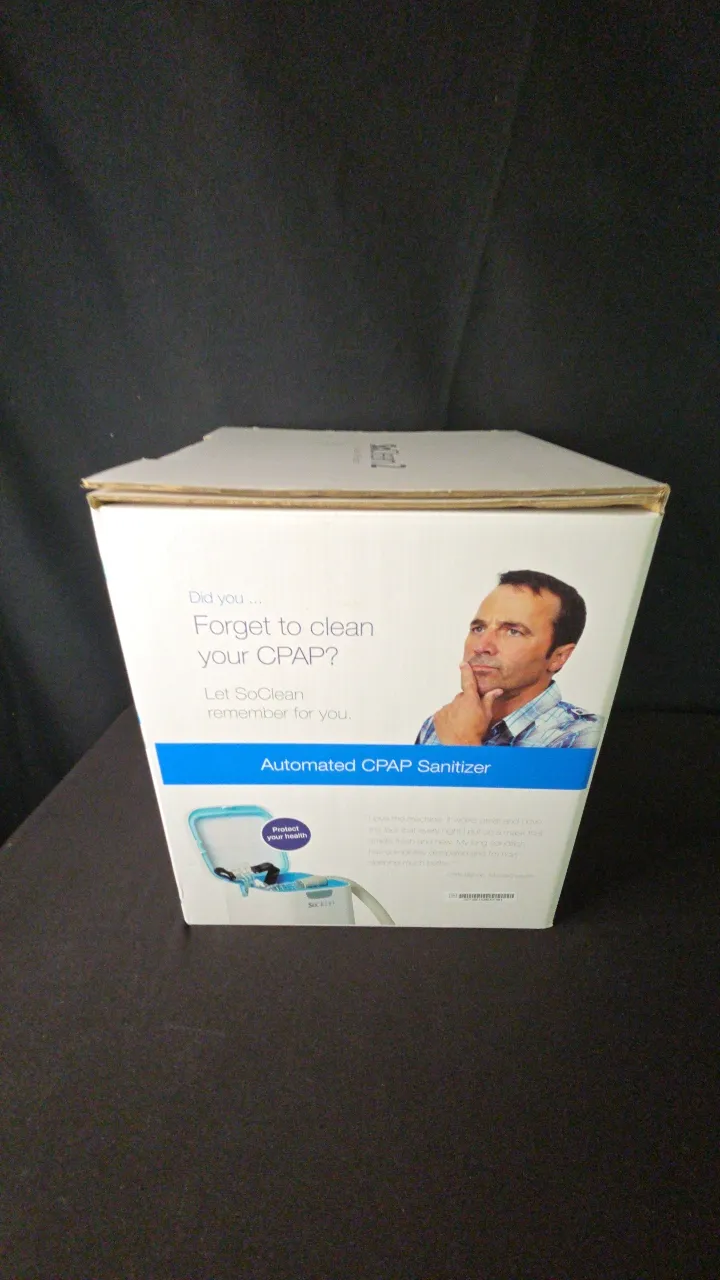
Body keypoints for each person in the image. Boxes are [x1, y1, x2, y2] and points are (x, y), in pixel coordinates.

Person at [416, 570, 602, 748]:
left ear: (558, 657)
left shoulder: (586, 737)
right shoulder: (439, 725)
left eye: (513, 632)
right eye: (478, 628)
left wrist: (462, 746)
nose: (482, 646)